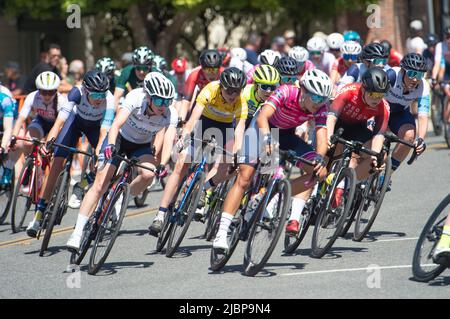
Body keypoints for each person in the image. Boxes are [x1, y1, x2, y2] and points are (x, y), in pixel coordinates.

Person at [213, 69, 331, 249]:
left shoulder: (321, 107)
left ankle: (278, 193)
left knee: (318, 174)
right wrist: (267, 138)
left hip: (286, 136)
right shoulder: (286, 91)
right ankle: (221, 233)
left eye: (323, 99)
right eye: (316, 98)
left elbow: (322, 137)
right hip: (263, 129)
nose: (319, 103)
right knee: (244, 178)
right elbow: (262, 117)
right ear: (304, 91)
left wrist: (321, 159)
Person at [66, 72, 178, 251]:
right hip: (118, 139)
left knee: (149, 174)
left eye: (167, 101)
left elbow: (169, 139)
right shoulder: (135, 97)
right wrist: (110, 145)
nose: (163, 106)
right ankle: (77, 232)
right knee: (100, 183)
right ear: (148, 97)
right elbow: (116, 124)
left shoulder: (170, 114)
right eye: (159, 101)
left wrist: (163, 164)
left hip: (141, 146)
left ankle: (121, 200)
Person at [148, 67, 248, 236]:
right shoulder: (210, 89)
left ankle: (203, 188)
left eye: (236, 91)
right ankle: (160, 214)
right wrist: (184, 138)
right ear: (221, 86)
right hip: (203, 123)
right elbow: (193, 120)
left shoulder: (240, 101)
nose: (232, 95)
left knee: (226, 169)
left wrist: (237, 153)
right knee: (181, 165)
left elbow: (239, 130)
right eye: (229, 90)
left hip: (225, 129)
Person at [25, 70, 114, 237]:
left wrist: (99, 153)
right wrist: (49, 142)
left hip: (97, 128)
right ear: (86, 90)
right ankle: (38, 214)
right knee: (57, 162)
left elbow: (104, 132)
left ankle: (82, 186)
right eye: (95, 95)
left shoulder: (109, 99)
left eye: (101, 95)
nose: (99, 99)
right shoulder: (76, 93)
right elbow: (60, 122)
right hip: (75, 123)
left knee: (104, 161)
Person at [326, 68, 390, 207]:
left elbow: (379, 134)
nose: (376, 99)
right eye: (373, 94)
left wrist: (374, 156)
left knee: (380, 156)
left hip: (357, 127)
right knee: (328, 153)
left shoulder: (383, 106)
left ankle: (346, 184)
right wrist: (329, 137)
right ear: (363, 89)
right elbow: (331, 117)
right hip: (339, 123)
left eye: (380, 95)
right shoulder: (349, 91)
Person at [385, 54, 429, 179]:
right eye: (411, 74)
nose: (415, 79)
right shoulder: (392, 75)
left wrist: (420, 139)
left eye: (419, 75)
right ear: (403, 71)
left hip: (399, 114)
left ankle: (387, 175)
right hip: (380, 111)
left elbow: (423, 115)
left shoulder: (423, 86)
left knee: (409, 136)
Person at [178, 49, 223, 122]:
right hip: (202, 99)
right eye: (208, 69)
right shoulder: (195, 74)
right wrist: (180, 122)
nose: (212, 73)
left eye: (214, 69)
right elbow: (186, 101)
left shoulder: (223, 74)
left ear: (219, 68)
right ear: (202, 68)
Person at [114, 46, 155, 111]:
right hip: (131, 105)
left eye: (145, 68)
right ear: (134, 66)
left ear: (150, 67)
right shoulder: (126, 71)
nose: (141, 72)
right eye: (138, 68)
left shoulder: (156, 74)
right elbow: (116, 97)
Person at [0, 90, 17, 187]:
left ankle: (9, 168)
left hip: (11, 121)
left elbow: (8, 129)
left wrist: (2, 147)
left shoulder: (5, 100)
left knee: (12, 144)